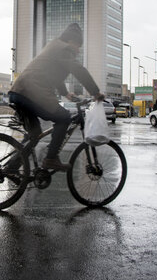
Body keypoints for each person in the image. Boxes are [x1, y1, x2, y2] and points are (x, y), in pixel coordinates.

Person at [9, 23, 104, 171]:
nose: (78, 50)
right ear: (71, 41)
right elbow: (78, 70)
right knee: (64, 118)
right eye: (78, 45)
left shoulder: (54, 46)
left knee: (34, 135)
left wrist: (66, 93)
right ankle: (51, 159)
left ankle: (9, 169)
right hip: (31, 92)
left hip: (19, 91)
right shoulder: (63, 49)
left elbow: (53, 76)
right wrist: (95, 92)